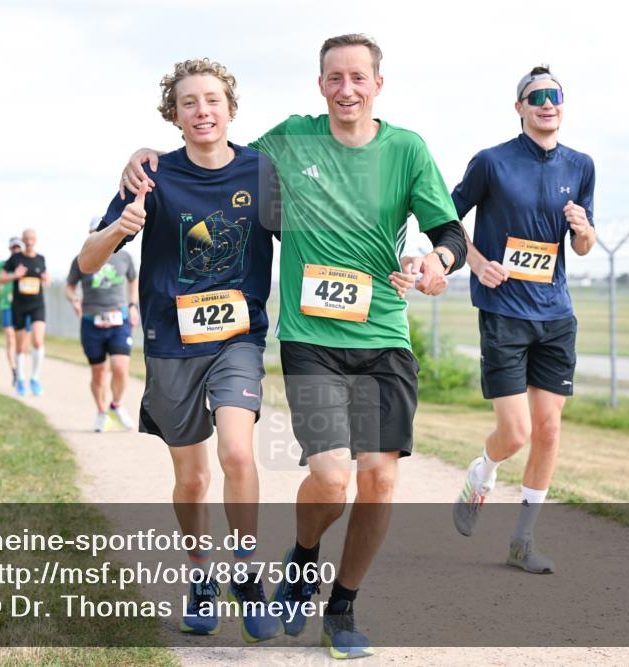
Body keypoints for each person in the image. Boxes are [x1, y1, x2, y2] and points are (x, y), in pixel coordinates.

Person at [119, 35, 466, 659]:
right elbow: (213, 152)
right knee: (332, 479)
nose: (347, 89)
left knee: (380, 480)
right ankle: (303, 560)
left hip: (384, 330)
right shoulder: (288, 141)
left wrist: (436, 263)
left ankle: (343, 607)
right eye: (335, 77)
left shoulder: (407, 149)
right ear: (321, 84)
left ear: (378, 84)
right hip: (310, 338)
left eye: (359, 77)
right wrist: (147, 155)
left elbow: (448, 232)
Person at [82, 58, 282, 642]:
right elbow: (88, 261)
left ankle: (246, 574)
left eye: (213, 100)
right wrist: (123, 227)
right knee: (192, 479)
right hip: (171, 343)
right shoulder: (151, 176)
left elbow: (305, 235)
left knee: (239, 455)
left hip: (238, 339)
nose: (203, 111)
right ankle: (200, 576)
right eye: (190, 102)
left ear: (231, 108)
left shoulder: (261, 172)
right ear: (174, 114)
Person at [450, 65, 596, 574]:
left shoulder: (581, 165)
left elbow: (582, 245)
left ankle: (523, 541)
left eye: (555, 95)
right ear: (520, 108)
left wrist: (582, 231)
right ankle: (483, 472)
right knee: (515, 434)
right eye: (536, 97)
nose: (547, 103)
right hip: (504, 311)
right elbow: (445, 220)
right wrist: (477, 262)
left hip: (556, 314)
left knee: (549, 431)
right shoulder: (492, 162)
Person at [66, 217, 139, 432]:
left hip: (119, 320)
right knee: (98, 372)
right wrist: (74, 299)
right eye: (94, 232)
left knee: (120, 367)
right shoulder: (81, 259)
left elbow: (133, 280)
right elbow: (69, 287)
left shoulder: (124, 257)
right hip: (91, 321)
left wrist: (133, 305)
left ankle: (116, 405)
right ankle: (101, 412)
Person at [0, 229, 48, 396]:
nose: (29, 241)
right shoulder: (15, 259)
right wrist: (14, 275)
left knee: (38, 341)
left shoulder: (41, 259)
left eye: (32, 238)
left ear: (36, 239)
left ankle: (34, 378)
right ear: (24, 240)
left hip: (37, 305)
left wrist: (46, 279)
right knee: (21, 347)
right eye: (26, 238)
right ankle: (20, 379)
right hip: (19, 305)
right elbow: (0, 279)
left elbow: (46, 280)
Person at [0, 237, 26, 384]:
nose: (16, 250)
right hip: (7, 306)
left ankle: (20, 368)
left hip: (24, 305)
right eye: (13, 248)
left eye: (18, 248)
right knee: (11, 338)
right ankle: (14, 370)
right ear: (9, 249)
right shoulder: (3, 265)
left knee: (21, 342)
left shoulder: (26, 264)